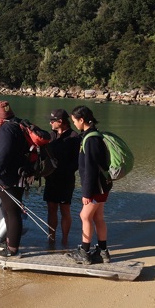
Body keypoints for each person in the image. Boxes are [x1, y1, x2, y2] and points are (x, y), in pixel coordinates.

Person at [66, 105, 112, 265]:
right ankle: (103, 251)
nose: (74, 124)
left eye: (74, 121)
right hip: (102, 186)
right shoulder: (93, 136)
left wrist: (86, 193)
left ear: (82, 120)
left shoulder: (91, 139)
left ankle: (85, 252)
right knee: (98, 217)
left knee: (84, 216)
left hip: (96, 187)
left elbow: (91, 168)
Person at [0, 100, 27, 257]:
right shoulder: (16, 125)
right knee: (8, 210)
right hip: (15, 175)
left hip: (9, 178)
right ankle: (10, 242)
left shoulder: (6, 130)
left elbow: (4, 155)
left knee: (12, 212)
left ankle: (13, 248)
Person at [43, 108, 81, 247]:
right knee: (51, 207)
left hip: (66, 179)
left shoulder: (74, 137)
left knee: (65, 209)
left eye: (52, 120)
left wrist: (65, 170)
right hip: (51, 178)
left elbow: (77, 161)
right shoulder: (50, 136)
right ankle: (51, 237)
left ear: (60, 122)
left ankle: (65, 239)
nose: (50, 123)